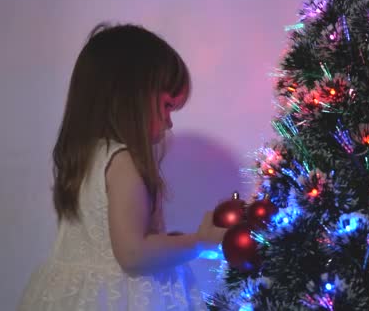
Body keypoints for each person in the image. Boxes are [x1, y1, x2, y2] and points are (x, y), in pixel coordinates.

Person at [18, 23, 226, 310]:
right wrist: (200, 242)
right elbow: (132, 253)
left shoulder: (86, 157)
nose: (169, 122)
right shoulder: (123, 160)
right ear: (130, 97)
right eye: (166, 105)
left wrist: (167, 243)